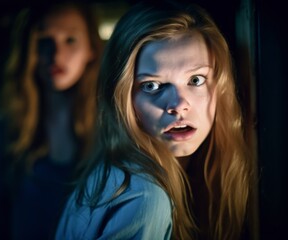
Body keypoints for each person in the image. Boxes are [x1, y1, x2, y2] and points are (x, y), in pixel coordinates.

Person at [55, 1, 256, 240]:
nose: (179, 105)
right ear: (123, 97)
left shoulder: (118, 175)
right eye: (152, 85)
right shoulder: (143, 198)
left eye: (196, 80)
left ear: (221, 86)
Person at [0, 1, 103, 239]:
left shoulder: (112, 129)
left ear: (91, 48)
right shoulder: (6, 129)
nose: (56, 54)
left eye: (70, 40)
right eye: (44, 41)